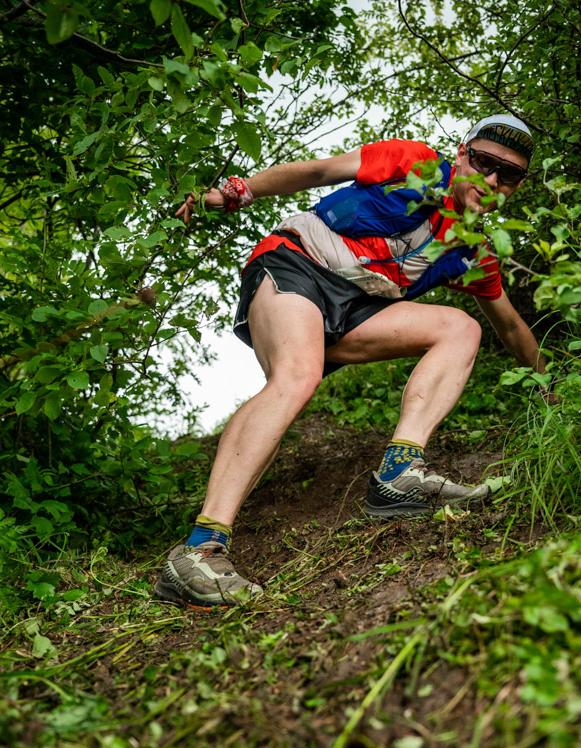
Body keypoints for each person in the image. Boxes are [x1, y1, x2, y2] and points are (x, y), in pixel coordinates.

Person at [153, 115, 549, 609]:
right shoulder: (416, 163)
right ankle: (196, 553)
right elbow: (318, 172)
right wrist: (237, 192)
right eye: (486, 163)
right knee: (297, 378)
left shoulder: (470, 251)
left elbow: (510, 327)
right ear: (463, 153)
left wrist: (553, 384)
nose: (491, 181)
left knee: (461, 327)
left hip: (353, 313)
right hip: (295, 266)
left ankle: (399, 475)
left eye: (507, 176)